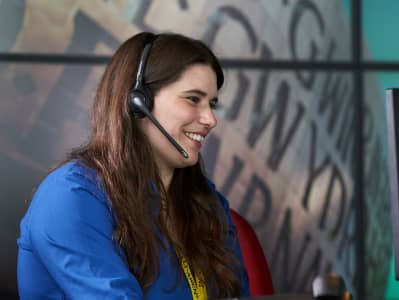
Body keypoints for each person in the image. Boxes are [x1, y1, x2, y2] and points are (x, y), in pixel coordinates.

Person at [17, 32, 250, 299]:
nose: (210, 119)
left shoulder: (207, 202)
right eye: (193, 99)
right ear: (138, 102)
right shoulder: (71, 197)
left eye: (212, 104)